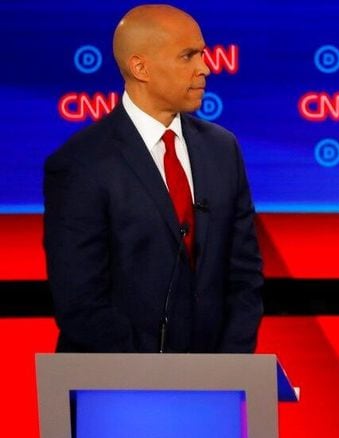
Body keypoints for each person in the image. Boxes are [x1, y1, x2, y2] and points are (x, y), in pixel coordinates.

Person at [43, 4, 264, 353]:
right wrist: (160, 374)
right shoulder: (80, 164)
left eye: (202, 54)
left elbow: (245, 277)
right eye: (188, 56)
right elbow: (80, 302)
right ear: (140, 67)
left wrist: (226, 369)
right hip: (117, 386)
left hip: (215, 386)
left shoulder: (223, 149)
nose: (204, 68)